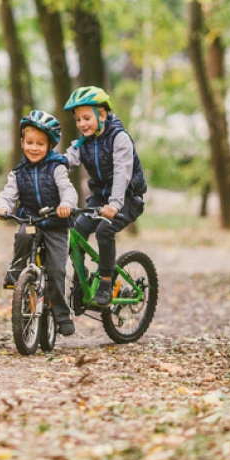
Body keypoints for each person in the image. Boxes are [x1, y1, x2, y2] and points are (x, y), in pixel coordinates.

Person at [0, 110, 77, 337]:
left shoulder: (57, 167)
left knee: (56, 270)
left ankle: (62, 314)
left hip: (56, 223)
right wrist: (2, 208)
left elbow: (68, 189)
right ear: (22, 143)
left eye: (40, 144)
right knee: (23, 235)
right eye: (29, 142)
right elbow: (8, 194)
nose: (34, 148)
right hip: (31, 219)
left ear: (49, 146)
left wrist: (66, 204)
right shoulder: (18, 173)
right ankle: (18, 271)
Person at [63, 86, 147, 307]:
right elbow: (66, 162)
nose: (82, 124)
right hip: (100, 198)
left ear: (102, 115)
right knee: (77, 231)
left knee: (104, 230)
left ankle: (106, 284)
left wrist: (115, 204)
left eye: (87, 118)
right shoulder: (83, 142)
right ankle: (81, 280)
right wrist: (46, 169)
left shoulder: (119, 138)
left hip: (128, 198)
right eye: (78, 120)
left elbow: (122, 173)